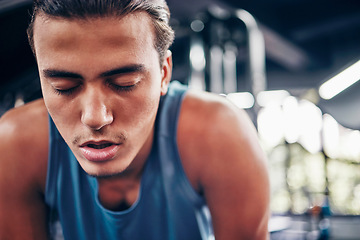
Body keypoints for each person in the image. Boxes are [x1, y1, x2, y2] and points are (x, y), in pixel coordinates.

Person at [0, 0, 270, 239]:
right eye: (64, 86)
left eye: (124, 83)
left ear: (164, 74)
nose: (95, 118)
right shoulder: (16, 143)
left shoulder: (219, 134)